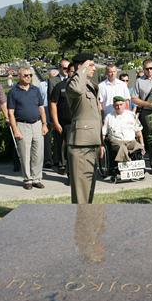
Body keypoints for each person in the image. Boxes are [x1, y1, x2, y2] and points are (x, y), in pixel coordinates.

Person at [66, 53, 102, 204]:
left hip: (92, 142)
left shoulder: (90, 84)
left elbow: (96, 117)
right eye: (91, 65)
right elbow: (76, 90)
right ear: (81, 66)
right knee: (81, 193)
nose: (94, 68)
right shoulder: (73, 83)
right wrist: (81, 70)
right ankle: (81, 223)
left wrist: (100, 142)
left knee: (89, 191)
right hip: (80, 145)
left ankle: (86, 221)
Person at [7, 67, 49, 190]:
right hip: (22, 125)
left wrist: (44, 124)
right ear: (19, 76)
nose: (28, 77)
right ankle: (27, 179)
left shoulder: (35, 90)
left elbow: (41, 108)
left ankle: (36, 178)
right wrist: (15, 129)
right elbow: (10, 112)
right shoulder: (13, 92)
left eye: (30, 75)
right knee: (25, 154)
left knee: (38, 153)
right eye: (25, 75)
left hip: (37, 124)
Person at [132, 59, 152, 174]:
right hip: (147, 112)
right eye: (147, 68)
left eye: (151, 68)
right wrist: (148, 104)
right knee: (151, 138)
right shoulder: (139, 81)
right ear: (143, 69)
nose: (149, 71)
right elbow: (134, 98)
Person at [101, 96, 144, 162]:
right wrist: (102, 145)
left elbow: (138, 132)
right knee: (122, 147)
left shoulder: (131, 115)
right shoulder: (109, 117)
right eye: (117, 105)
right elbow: (103, 133)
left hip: (131, 141)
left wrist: (142, 144)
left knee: (138, 147)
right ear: (113, 106)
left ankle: (134, 165)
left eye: (121, 105)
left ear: (125, 105)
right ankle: (127, 164)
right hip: (116, 142)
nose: (119, 107)